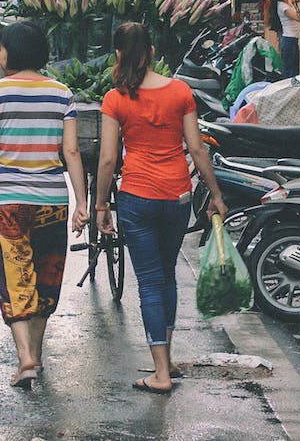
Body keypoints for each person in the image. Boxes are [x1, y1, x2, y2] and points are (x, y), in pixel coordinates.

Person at [96, 21, 226, 395]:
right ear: (152, 52)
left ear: (118, 54)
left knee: (150, 282)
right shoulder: (180, 91)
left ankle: (161, 373)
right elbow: (197, 149)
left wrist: (102, 204)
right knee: (166, 277)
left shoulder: (115, 98)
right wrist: (214, 193)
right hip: (177, 198)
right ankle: (163, 361)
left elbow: (107, 159)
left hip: (137, 198)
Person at [0, 22, 88, 391]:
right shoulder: (61, 93)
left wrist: (10, 139)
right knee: (45, 277)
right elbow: (71, 151)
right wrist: (81, 203)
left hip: (7, 201)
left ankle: (26, 359)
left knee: (15, 279)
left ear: (14, 52)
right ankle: (34, 357)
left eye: (2, 49)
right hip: (52, 200)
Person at [276, 0, 300, 78]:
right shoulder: (283, 7)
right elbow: (298, 17)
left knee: (295, 67)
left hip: (293, 38)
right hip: (289, 39)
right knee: (289, 68)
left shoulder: (288, 2)